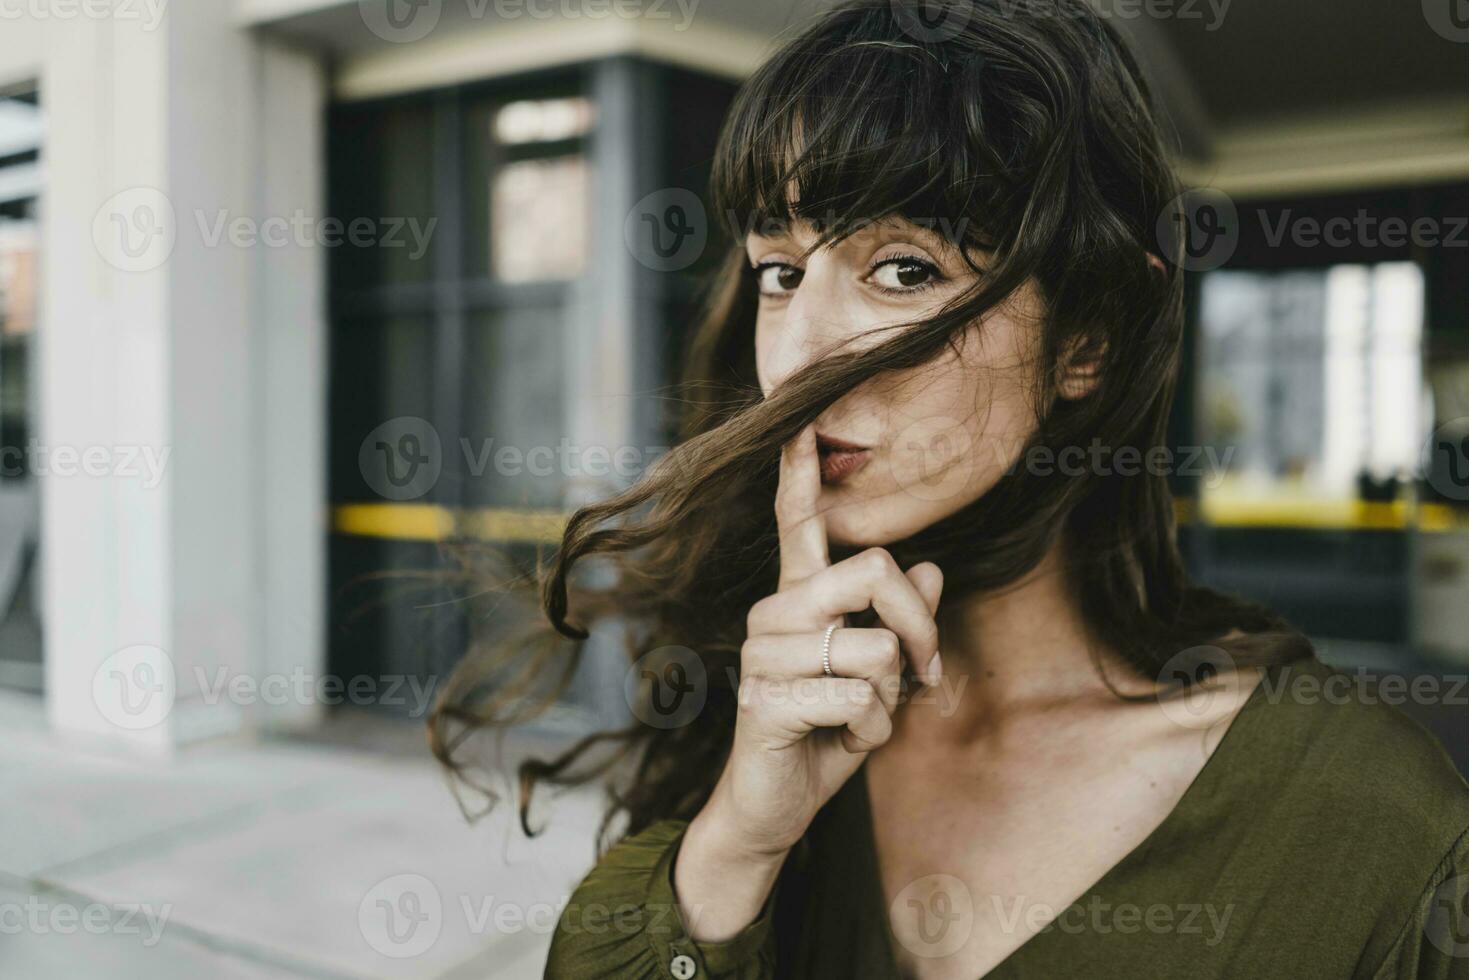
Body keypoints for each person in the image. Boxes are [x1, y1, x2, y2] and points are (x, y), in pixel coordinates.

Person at [431, 2, 1469, 976]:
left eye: (904, 269)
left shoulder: (1366, 816)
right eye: (778, 270)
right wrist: (736, 842)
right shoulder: (753, 710)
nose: (796, 355)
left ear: (1087, 339)